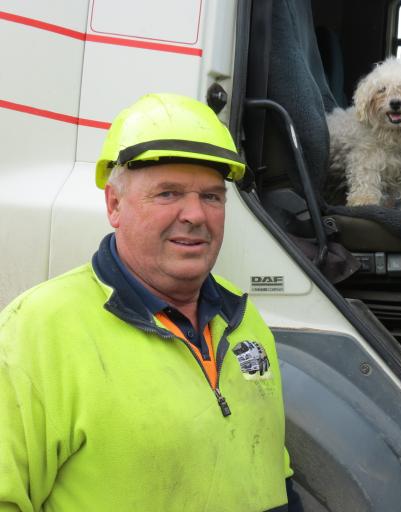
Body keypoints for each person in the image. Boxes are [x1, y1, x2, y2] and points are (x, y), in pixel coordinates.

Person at [0, 93, 301, 511]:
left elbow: (274, 475)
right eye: (168, 194)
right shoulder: (36, 330)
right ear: (114, 204)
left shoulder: (244, 321)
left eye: (212, 196)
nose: (195, 214)